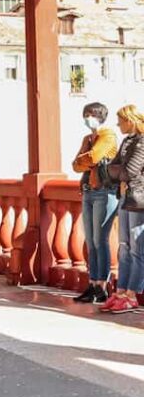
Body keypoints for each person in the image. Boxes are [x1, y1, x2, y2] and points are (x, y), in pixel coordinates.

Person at [98, 105, 144, 315]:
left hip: (138, 199)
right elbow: (111, 169)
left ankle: (132, 295)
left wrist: (117, 172)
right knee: (124, 246)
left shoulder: (142, 141)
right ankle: (121, 291)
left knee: (137, 249)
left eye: (121, 121)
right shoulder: (127, 141)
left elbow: (129, 171)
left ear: (130, 120)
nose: (118, 125)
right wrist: (116, 172)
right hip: (125, 196)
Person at [71, 102, 119, 303]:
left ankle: (102, 285)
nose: (86, 118)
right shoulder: (87, 138)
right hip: (88, 191)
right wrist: (86, 159)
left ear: (99, 116)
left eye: (90, 114)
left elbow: (94, 156)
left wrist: (86, 159)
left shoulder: (108, 136)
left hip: (104, 191)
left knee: (101, 239)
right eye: (85, 114)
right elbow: (76, 165)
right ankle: (92, 283)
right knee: (90, 241)